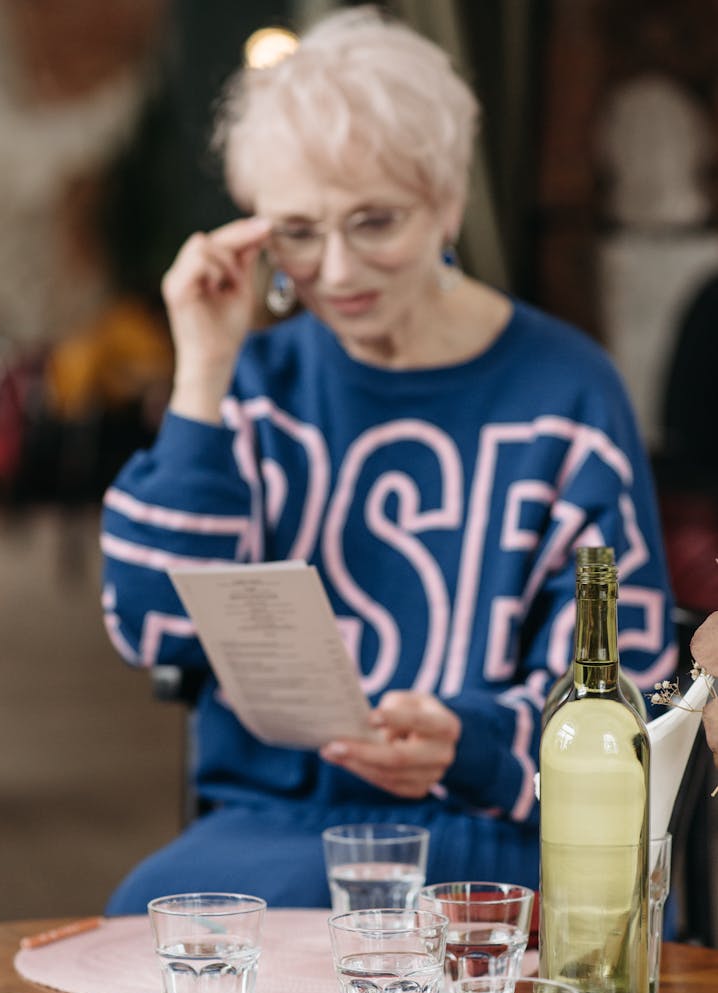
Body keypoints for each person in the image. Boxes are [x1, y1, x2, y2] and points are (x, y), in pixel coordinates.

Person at [101, 6, 675, 914]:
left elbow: (628, 694)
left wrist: (472, 743)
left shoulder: (567, 392)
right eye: (296, 231)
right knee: (148, 919)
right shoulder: (255, 379)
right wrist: (203, 372)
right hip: (281, 820)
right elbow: (152, 626)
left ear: (447, 201)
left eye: (375, 221)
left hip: (506, 825)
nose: (335, 269)